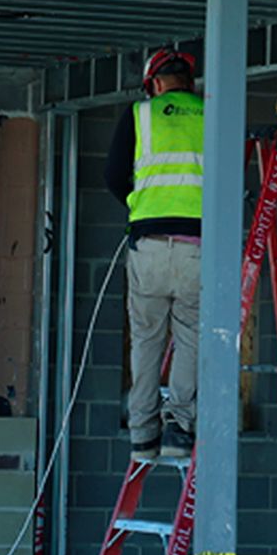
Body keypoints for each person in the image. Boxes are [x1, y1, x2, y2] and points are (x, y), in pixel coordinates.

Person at [105, 47, 204, 461]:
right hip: (198, 248)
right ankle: (180, 428)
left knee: (146, 340)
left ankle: (144, 436)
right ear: (189, 81)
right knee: (191, 338)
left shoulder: (139, 115)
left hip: (148, 244)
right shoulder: (212, 114)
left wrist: (140, 208)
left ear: (155, 84)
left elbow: (112, 176)